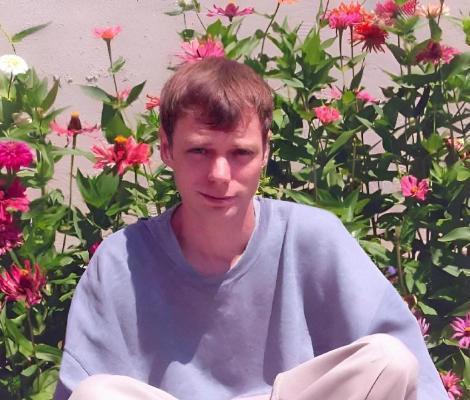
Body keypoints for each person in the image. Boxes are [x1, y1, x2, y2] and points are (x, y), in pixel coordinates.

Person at [54, 57, 447, 400]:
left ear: (266, 152)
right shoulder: (121, 261)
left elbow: (410, 376)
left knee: (389, 359)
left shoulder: (312, 237)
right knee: (96, 393)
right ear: (167, 148)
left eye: (240, 153)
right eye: (200, 150)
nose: (219, 175)